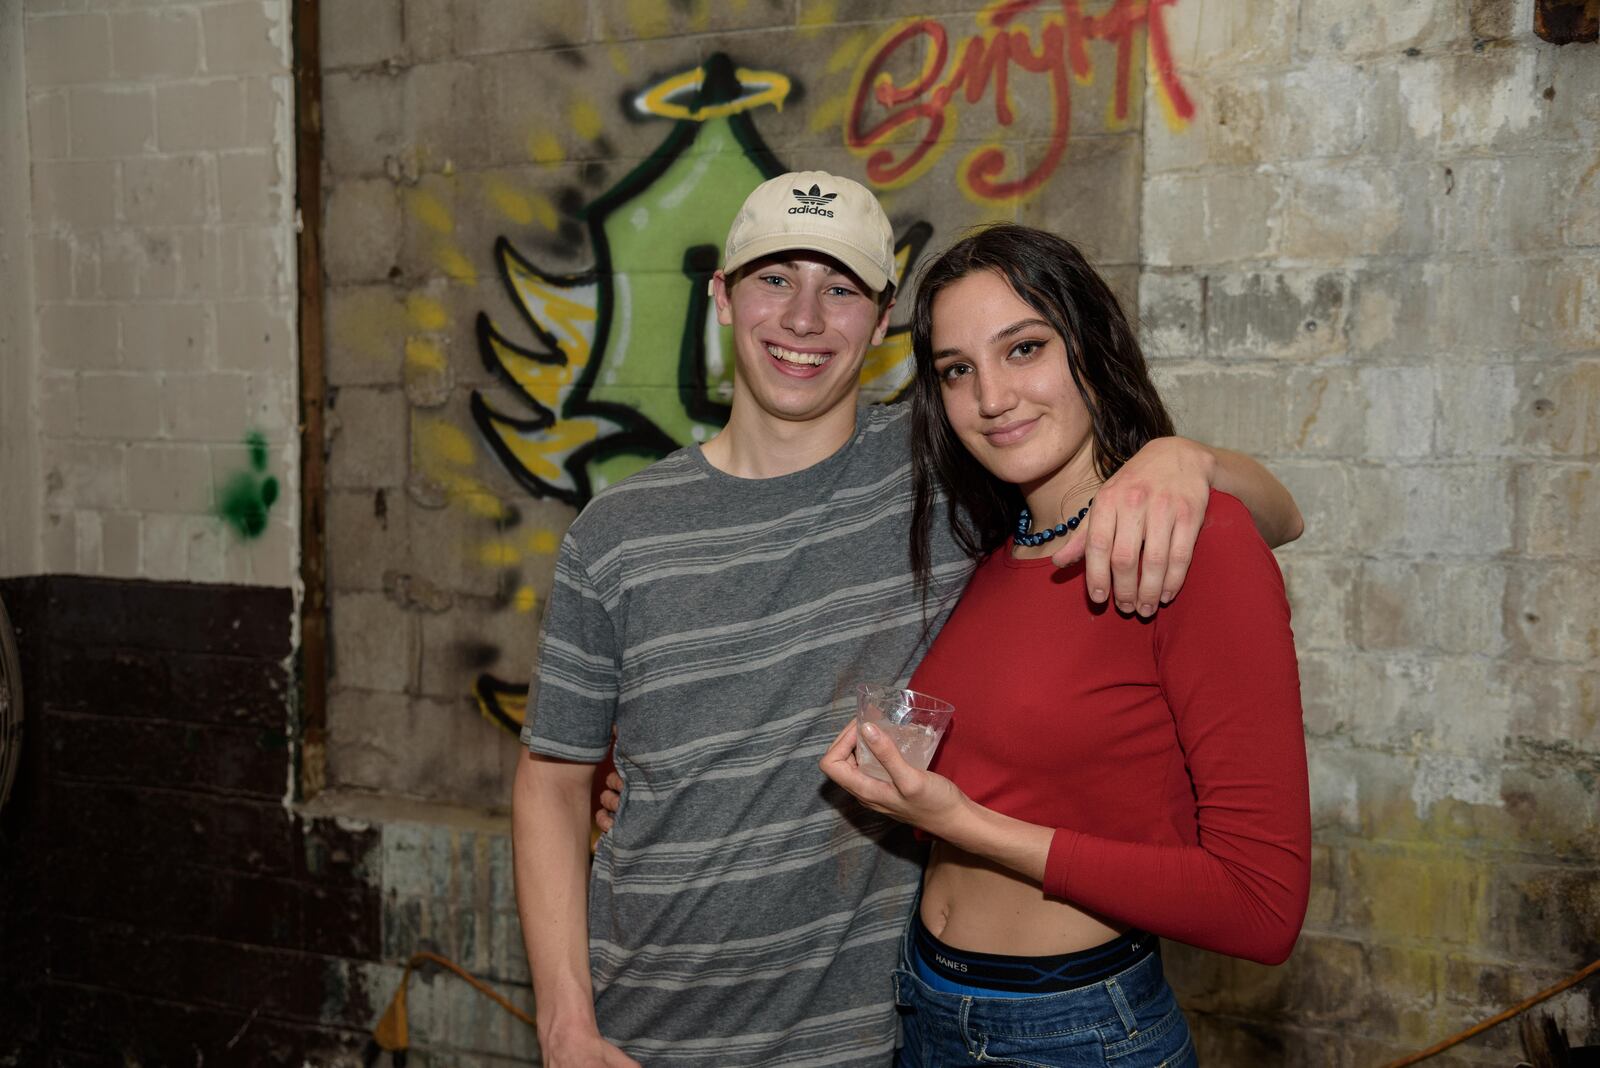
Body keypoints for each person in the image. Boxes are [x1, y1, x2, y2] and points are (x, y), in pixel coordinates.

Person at [514, 173, 1303, 1068]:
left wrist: (1180, 457)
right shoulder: (615, 531)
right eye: (775, 278)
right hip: (647, 1025)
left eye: (840, 288)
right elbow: (552, 778)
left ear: (882, 316)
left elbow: (1266, 519)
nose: (805, 318)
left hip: (868, 1032)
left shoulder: (947, 473)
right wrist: (564, 1024)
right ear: (721, 296)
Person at [819, 224, 1311, 1067]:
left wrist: (965, 824)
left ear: (1089, 343)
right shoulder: (992, 549)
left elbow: (1261, 908)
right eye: (957, 370)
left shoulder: (1197, 544)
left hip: (1073, 1032)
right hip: (923, 1003)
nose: (992, 398)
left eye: (1025, 348)